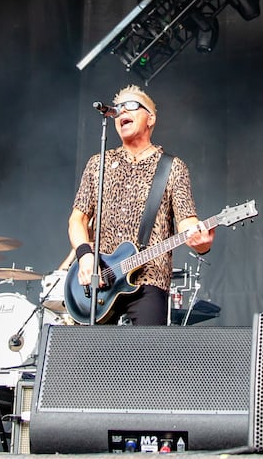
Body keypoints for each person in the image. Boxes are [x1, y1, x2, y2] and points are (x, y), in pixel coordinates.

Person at [67, 86, 214, 326]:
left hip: (150, 278)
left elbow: (188, 221)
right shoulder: (98, 164)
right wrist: (85, 257)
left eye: (132, 105)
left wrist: (202, 243)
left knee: (145, 358)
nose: (123, 110)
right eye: (119, 108)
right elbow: (77, 219)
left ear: (151, 118)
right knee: (89, 358)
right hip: (101, 280)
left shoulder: (172, 167)